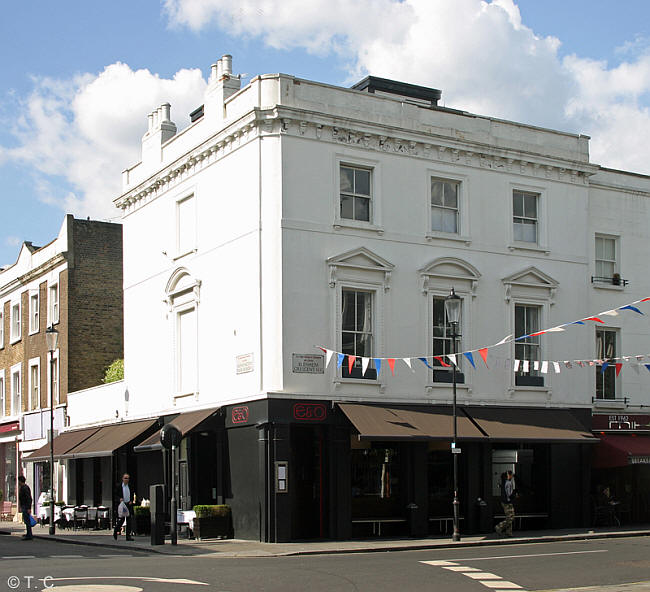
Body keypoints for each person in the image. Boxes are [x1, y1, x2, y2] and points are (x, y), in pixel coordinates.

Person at [113, 473, 136, 541]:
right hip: (122, 504)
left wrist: (131, 500)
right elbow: (115, 495)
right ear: (122, 479)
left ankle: (128, 536)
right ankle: (116, 530)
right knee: (122, 519)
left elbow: (132, 494)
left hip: (128, 504)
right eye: (125, 478)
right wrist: (119, 499)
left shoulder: (130, 486)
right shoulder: (119, 486)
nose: (127, 480)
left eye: (128, 478)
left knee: (129, 520)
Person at [495, 470, 516, 537]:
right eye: (511, 475)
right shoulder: (508, 483)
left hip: (504, 501)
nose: (512, 476)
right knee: (511, 517)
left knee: (509, 516)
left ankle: (509, 532)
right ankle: (499, 526)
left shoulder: (503, 482)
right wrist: (514, 495)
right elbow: (509, 493)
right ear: (509, 475)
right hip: (507, 502)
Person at [18, 476, 33, 540]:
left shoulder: (25, 488)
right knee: (26, 521)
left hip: (26, 506)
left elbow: (29, 498)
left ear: (21, 481)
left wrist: (29, 508)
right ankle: (28, 533)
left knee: (27, 521)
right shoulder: (22, 488)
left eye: (19, 481)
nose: (18, 482)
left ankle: (29, 535)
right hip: (23, 506)